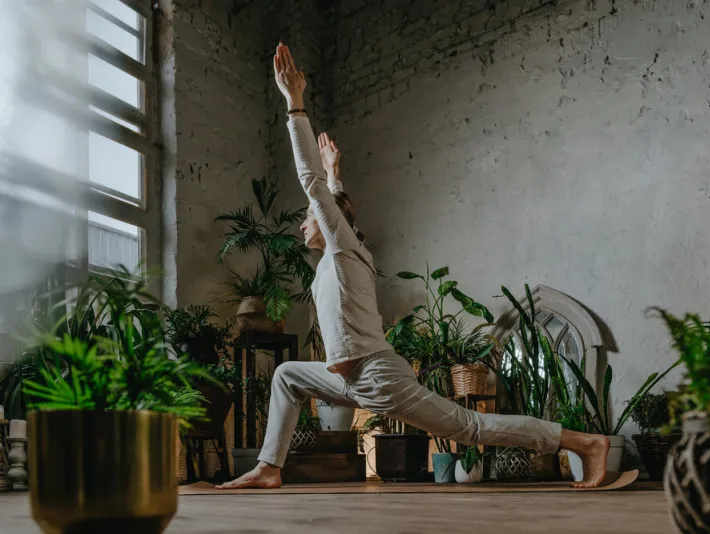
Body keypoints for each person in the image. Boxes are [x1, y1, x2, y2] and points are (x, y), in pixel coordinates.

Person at [216, 43, 610, 490]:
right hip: (349, 380)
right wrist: (335, 173)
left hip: (378, 377)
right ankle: (270, 467)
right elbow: (338, 207)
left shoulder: (343, 250)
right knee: (287, 375)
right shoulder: (340, 254)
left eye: (311, 216)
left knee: (470, 428)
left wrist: (295, 105)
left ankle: (582, 443)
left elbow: (318, 193)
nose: (305, 222)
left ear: (331, 222)